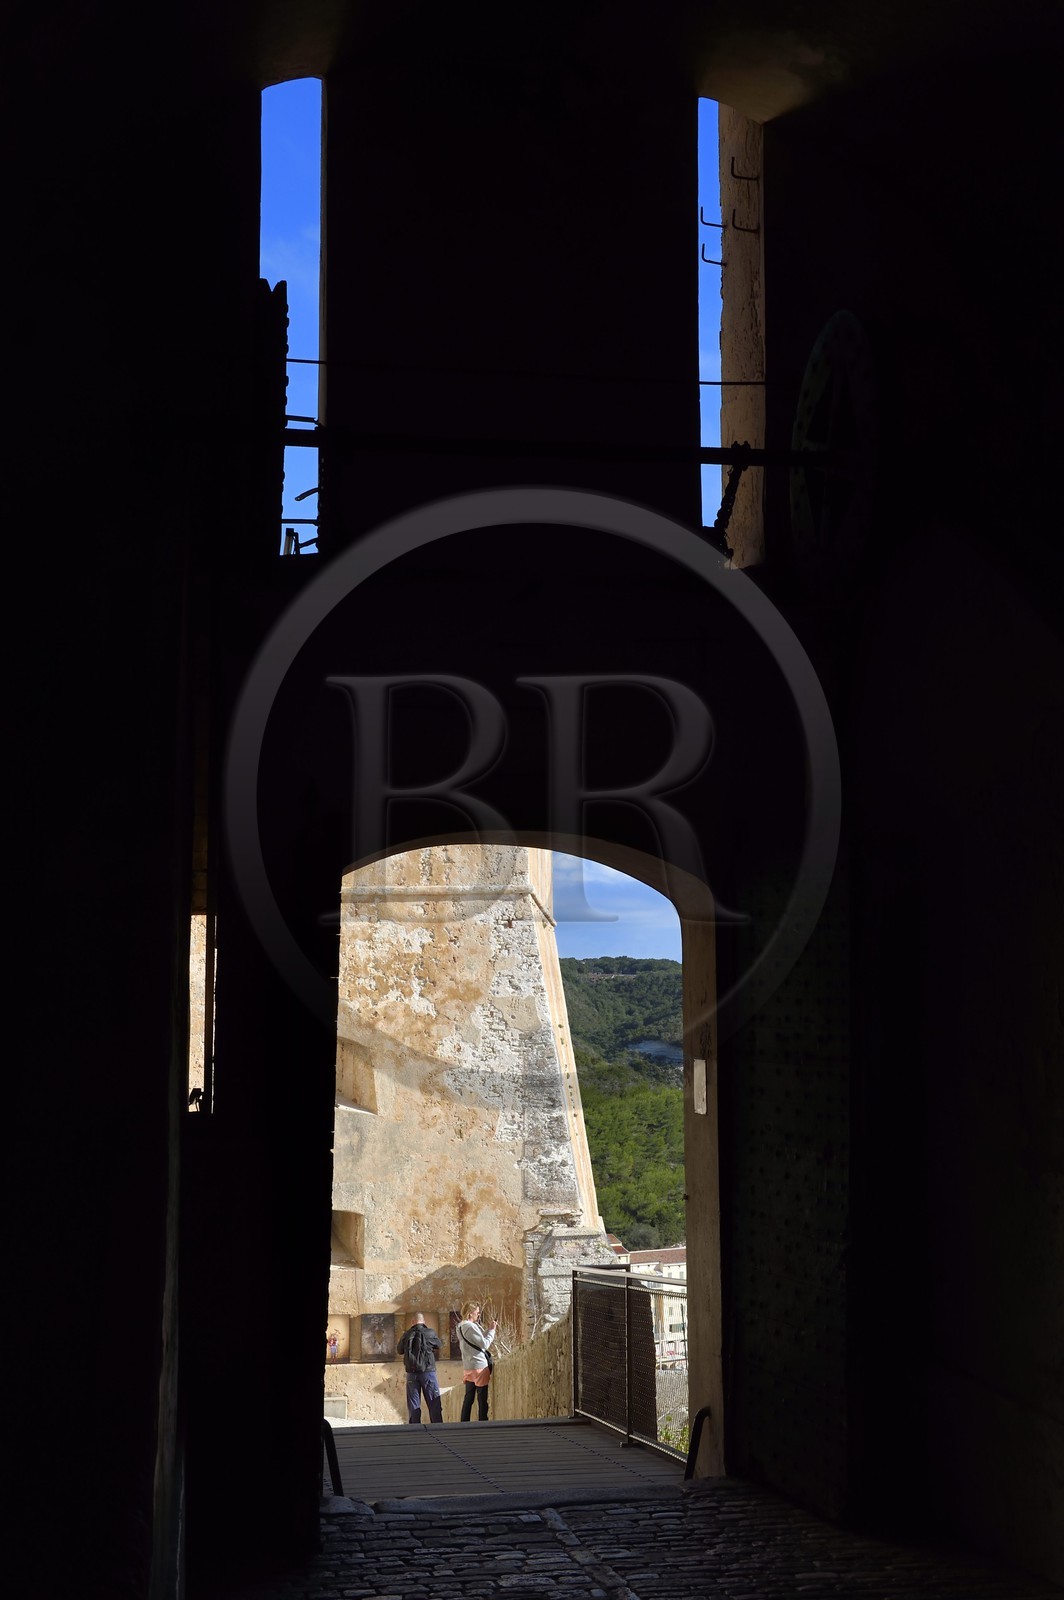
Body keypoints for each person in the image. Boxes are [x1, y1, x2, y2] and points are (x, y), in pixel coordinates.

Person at [396, 1313, 443, 1424]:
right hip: (428, 1372)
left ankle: (415, 1429)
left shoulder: (407, 1334)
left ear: (412, 1322)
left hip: (412, 1373)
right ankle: (438, 1428)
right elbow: (439, 1345)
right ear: (424, 1321)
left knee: (413, 1404)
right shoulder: (430, 1332)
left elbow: (399, 1350)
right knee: (434, 1402)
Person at [457, 1300, 497, 1421]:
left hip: (468, 1366)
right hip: (479, 1366)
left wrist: (487, 1330)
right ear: (470, 1313)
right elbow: (484, 1344)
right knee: (482, 1398)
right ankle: (482, 1423)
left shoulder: (459, 1326)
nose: (479, 1315)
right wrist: (492, 1331)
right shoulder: (470, 1326)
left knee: (468, 1398)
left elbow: (474, 1341)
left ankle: (464, 1423)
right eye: (477, 1312)